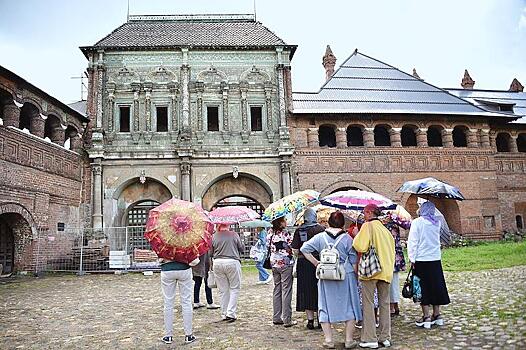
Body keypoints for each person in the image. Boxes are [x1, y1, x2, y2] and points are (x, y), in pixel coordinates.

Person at [301, 211, 362, 349]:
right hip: (345, 275)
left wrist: (317, 263)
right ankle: (348, 339)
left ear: (328, 222)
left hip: (326, 276)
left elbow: (304, 249)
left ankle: (328, 340)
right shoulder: (348, 239)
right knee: (350, 306)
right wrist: (356, 277)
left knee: (325, 306)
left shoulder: (320, 237)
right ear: (342, 224)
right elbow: (353, 262)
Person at [353, 204, 395, 349]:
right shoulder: (385, 229)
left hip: (371, 271)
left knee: (368, 303)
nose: (363, 215)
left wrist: (357, 234)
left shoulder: (367, 226)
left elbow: (360, 246)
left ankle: (370, 338)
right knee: (384, 304)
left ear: (370, 213)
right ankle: (385, 337)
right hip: (386, 271)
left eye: (364, 212)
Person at [407, 201, 450, 329]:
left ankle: (426, 316)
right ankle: (437, 315)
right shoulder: (437, 223)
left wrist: (412, 258)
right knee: (436, 286)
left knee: (422, 287)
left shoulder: (417, 223)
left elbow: (413, 241)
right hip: (435, 259)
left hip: (421, 260)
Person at [291, 208, 325, 330]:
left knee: (305, 290)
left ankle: (310, 321)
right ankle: (321, 319)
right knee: (319, 290)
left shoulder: (299, 230)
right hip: (318, 262)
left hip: (303, 263)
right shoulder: (321, 229)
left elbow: (295, 249)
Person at [210, 223, 244, 322]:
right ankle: (231, 312)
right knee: (234, 288)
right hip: (232, 262)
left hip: (218, 262)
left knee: (223, 290)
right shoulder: (234, 235)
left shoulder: (214, 236)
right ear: (228, 225)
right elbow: (241, 248)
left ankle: (224, 313)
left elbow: (210, 253)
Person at [160, 258, 196, 345]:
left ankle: (168, 335)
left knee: (168, 302)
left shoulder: (164, 244)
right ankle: (188, 334)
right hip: (184, 268)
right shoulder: (186, 243)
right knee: (186, 301)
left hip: (167, 269)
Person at [268, 216, 296, 327]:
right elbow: (292, 246)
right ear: (280, 223)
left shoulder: (270, 233)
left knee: (277, 289)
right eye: (285, 220)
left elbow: (268, 246)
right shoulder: (286, 233)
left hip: (274, 263)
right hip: (285, 263)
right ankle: (287, 319)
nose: (286, 222)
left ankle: (276, 316)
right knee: (286, 290)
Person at [384, 221, 406, 316]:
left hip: (389, 256)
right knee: (394, 282)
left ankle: (392, 306)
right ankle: (395, 305)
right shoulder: (395, 223)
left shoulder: (387, 226)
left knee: (390, 283)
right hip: (395, 257)